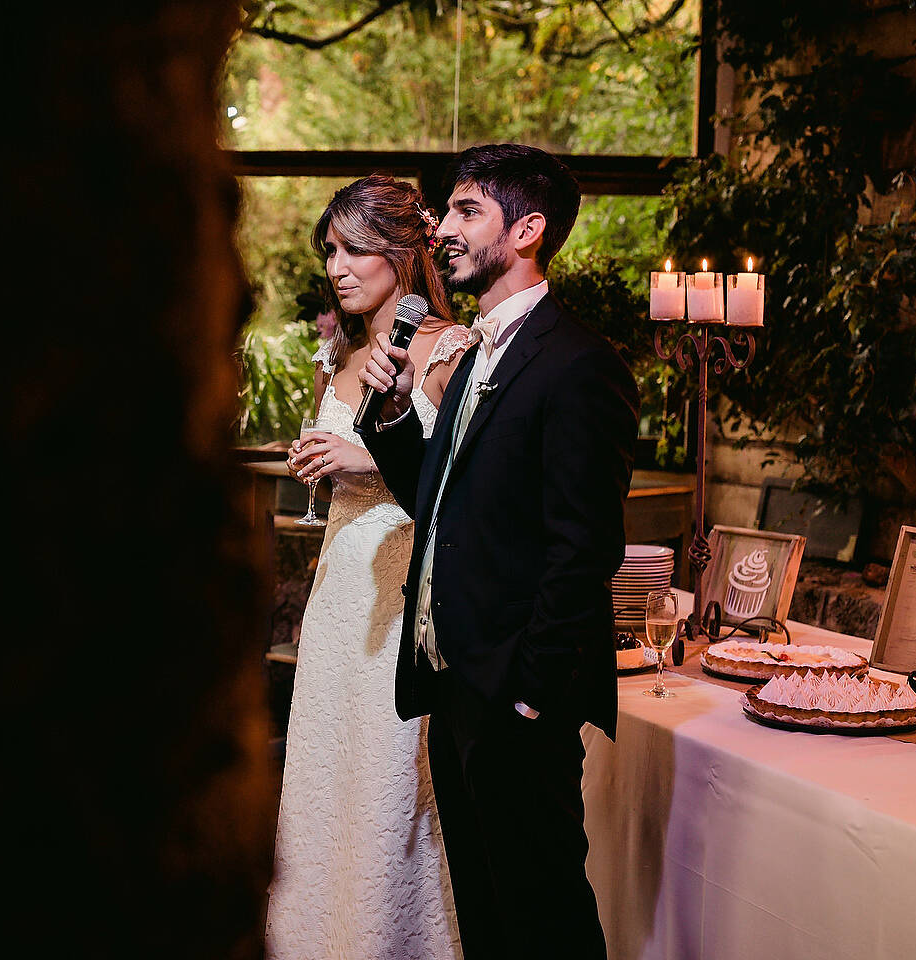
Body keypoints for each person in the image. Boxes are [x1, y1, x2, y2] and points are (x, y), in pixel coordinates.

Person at [358, 144, 640, 960]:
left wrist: (531, 696)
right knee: (485, 909)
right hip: (455, 682)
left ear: (528, 229)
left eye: (465, 211)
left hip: (516, 692)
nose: (442, 229)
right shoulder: (477, 350)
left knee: (542, 913)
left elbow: (583, 551)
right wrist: (393, 413)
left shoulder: (581, 363)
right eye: (446, 211)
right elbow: (439, 506)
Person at [265, 175, 473, 960]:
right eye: (331, 251)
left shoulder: (448, 351)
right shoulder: (344, 358)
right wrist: (320, 461)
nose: (338, 267)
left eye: (354, 250)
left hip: (402, 593)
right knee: (326, 778)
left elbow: (463, 491)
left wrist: (367, 460)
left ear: (400, 252)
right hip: (337, 594)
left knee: (390, 788)